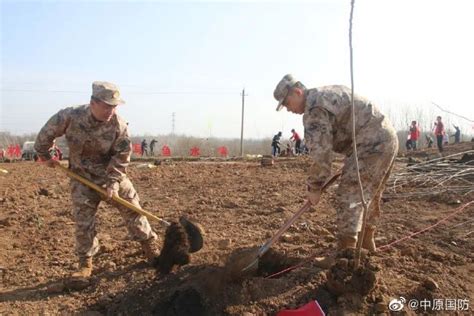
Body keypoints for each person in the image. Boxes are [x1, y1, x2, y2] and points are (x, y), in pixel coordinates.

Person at [34, 81, 160, 279]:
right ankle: (85, 264)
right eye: (106, 105)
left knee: (132, 207)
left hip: (110, 174)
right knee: (83, 220)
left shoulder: (119, 125)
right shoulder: (69, 116)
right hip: (81, 177)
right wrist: (45, 155)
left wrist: (113, 183)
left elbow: (121, 157)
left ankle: (150, 248)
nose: (111, 110)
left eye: (114, 106)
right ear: (93, 102)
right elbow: (45, 134)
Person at [273, 74, 398, 267]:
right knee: (369, 194)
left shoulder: (314, 109)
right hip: (387, 138)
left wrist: (315, 186)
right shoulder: (327, 93)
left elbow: (321, 154)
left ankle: (345, 255)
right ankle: (366, 242)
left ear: (297, 92)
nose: (289, 109)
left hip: (370, 143)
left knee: (348, 193)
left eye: (288, 103)